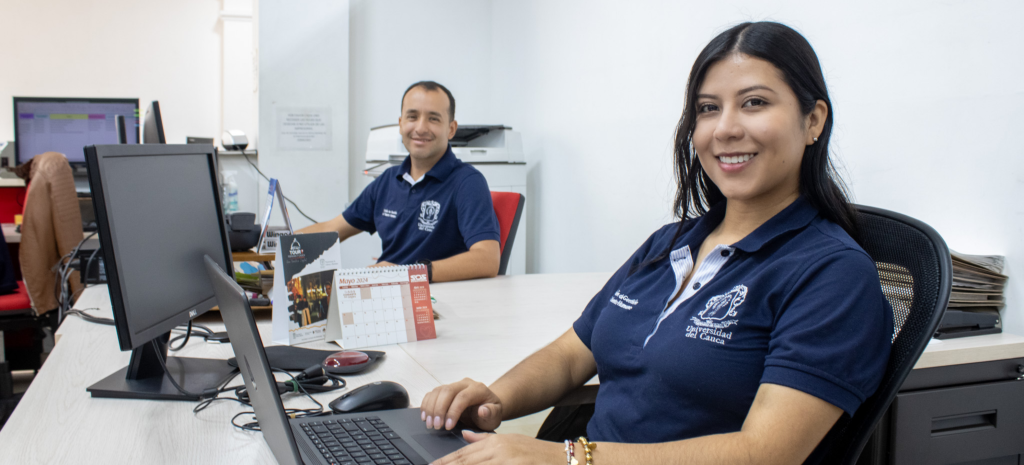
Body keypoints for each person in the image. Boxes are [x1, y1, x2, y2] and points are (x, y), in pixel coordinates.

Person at [419, 22, 893, 465]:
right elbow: (572, 353)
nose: (725, 128)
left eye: (754, 103)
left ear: (813, 120)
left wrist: (568, 458)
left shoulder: (833, 274)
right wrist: (495, 398)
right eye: (708, 108)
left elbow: (765, 453)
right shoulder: (671, 242)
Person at [299, 81, 501, 283]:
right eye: (412, 117)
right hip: (386, 291)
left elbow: (488, 259)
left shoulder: (467, 182)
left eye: (433, 119)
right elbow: (331, 229)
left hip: (433, 297)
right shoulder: (388, 180)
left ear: (451, 129)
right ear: (401, 124)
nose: (421, 128)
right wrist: (284, 245)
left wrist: (408, 273)